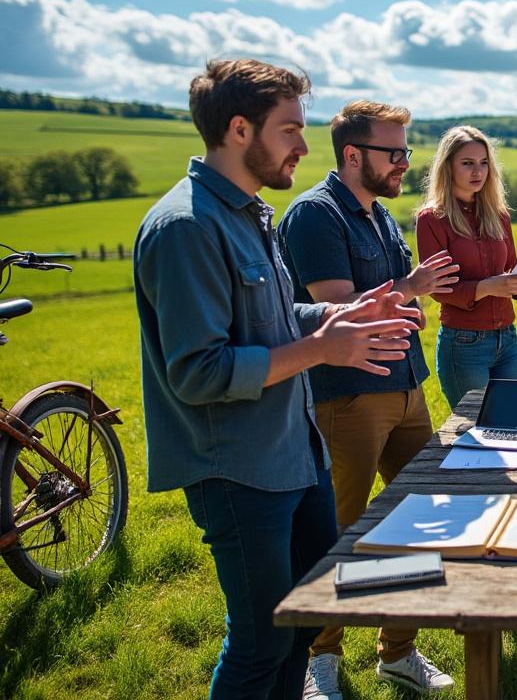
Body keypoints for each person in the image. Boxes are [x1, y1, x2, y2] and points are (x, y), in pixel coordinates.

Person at [134, 59, 422, 700]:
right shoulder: (186, 227)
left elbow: (273, 316)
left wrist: (339, 313)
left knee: (304, 617)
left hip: (296, 453)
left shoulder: (250, 214)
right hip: (237, 469)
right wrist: (323, 347)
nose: (302, 144)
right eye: (290, 129)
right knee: (261, 638)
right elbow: (200, 370)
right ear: (240, 129)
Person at [277, 101, 459, 698]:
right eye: (395, 152)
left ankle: (397, 650)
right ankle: (320, 658)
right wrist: (408, 291)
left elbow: (402, 307)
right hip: (349, 397)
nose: (406, 162)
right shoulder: (314, 216)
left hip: (407, 388)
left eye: (407, 150)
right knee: (341, 531)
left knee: (422, 519)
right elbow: (341, 310)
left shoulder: (380, 215)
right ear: (353, 155)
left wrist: (411, 302)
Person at [415, 126, 517, 409]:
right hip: (464, 343)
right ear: (448, 167)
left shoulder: (498, 215)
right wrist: (485, 288)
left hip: (507, 337)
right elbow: (437, 288)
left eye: (483, 163)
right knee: (475, 431)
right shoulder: (432, 219)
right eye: (467, 163)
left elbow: (510, 267)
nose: (477, 171)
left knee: (514, 422)